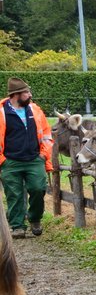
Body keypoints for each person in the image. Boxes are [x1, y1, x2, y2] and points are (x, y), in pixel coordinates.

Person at [0, 78, 53, 238]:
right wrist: (2, 161)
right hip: (10, 162)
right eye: (26, 92)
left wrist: (43, 155)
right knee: (14, 194)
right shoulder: (2, 113)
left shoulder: (35, 110)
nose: (30, 94)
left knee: (38, 189)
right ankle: (17, 226)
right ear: (16, 95)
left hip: (34, 160)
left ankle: (35, 218)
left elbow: (46, 134)